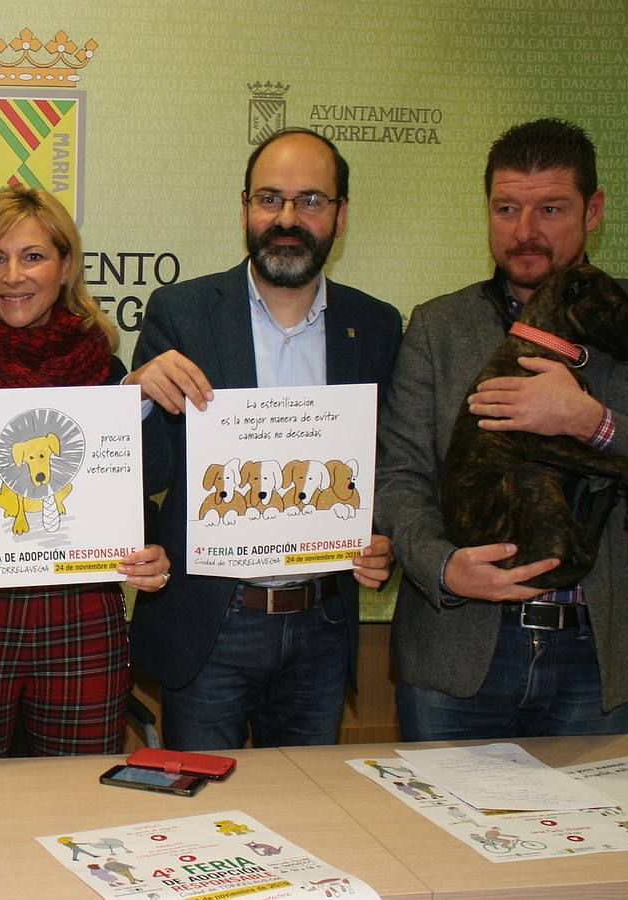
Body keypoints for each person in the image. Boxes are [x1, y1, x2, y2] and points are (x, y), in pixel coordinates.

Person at [376, 118, 628, 740]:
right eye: (506, 208)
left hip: (600, 654)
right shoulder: (438, 326)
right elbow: (400, 478)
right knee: (435, 836)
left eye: (551, 208)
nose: (524, 231)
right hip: (461, 650)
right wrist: (444, 567)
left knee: (597, 839)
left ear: (594, 212)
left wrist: (596, 424)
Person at [127, 129, 401, 750]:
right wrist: (138, 396)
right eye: (269, 199)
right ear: (245, 207)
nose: (286, 218)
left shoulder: (377, 326)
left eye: (310, 201)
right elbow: (147, 472)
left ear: (341, 215)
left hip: (324, 624)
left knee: (310, 814)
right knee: (203, 818)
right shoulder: (183, 314)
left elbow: (391, 465)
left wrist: (383, 538)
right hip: (211, 624)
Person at [0, 184, 170, 759]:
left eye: (32, 256)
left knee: (78, 806)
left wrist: (149, 550)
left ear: (65, 266)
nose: (13, 276)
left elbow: (120, 499)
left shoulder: (107, 371)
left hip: (83, 613)